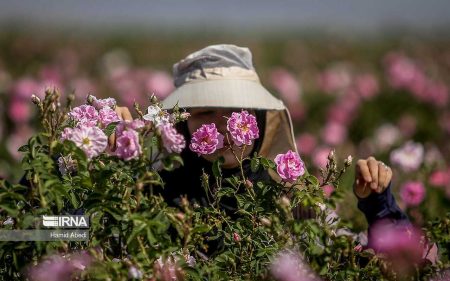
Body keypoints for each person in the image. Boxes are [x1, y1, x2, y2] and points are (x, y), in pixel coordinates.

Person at [115, 44, 409, 250]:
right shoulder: (153, 190)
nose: (222, 125)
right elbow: (72, 236)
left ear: (257, 120)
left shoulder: (291, 201)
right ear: (182, 125)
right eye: (204, 113)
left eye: (235, 112)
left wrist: (379, 207)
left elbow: (386, 264)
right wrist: (103, 169)